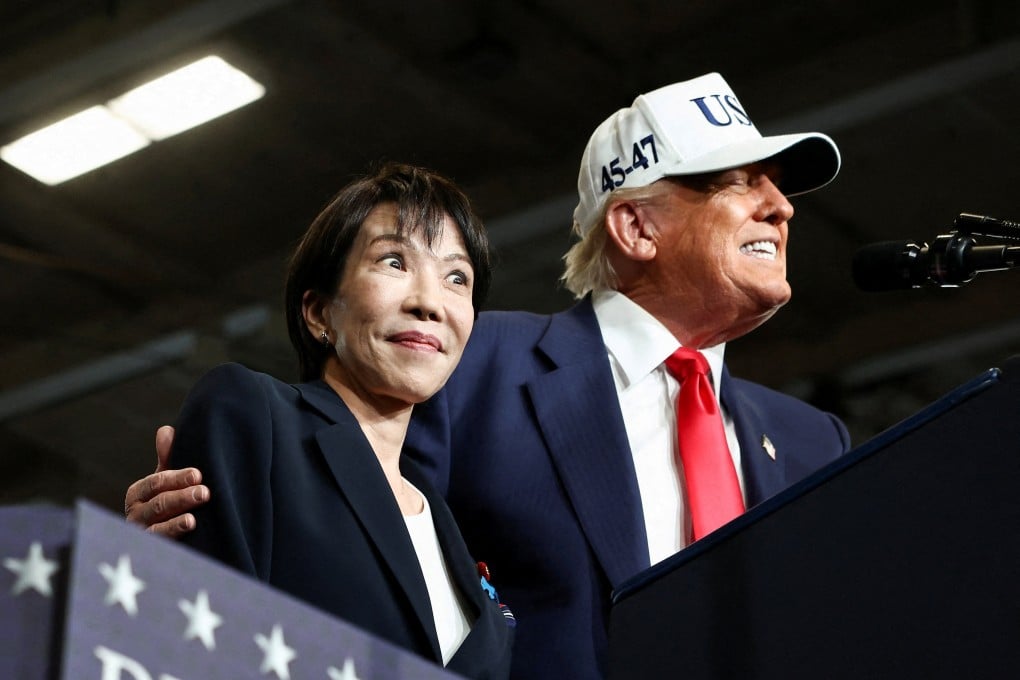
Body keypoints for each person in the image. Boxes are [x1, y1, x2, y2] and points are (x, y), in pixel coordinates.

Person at [126, 73, 851, 679]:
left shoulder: (814, 439)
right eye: (738, 182)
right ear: (636, 227)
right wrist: (150, 568)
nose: (781, 208)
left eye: (457, 279)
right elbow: (341, 536)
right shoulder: (478, 368)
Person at [157, 163, 513, 679]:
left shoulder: (443, 517)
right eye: (394, 261)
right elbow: (198, 645)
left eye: (456, 277)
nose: (429, 302)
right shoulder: (254, 416)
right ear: (319, 312)